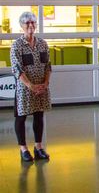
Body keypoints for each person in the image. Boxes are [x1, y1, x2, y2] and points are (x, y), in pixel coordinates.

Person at [10, 12, 51, 162]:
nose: (31, 25)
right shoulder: (17, 45)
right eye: (27, 23)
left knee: (39, 116)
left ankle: (38, 147)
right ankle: (23, 149)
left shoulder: (42, 43)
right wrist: (30, 86)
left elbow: (48, 65)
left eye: (33, 22)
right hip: (24, 88)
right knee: (21, 117)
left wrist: (45, 83)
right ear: (21, 26)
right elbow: (17, 69)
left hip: (41, 87)